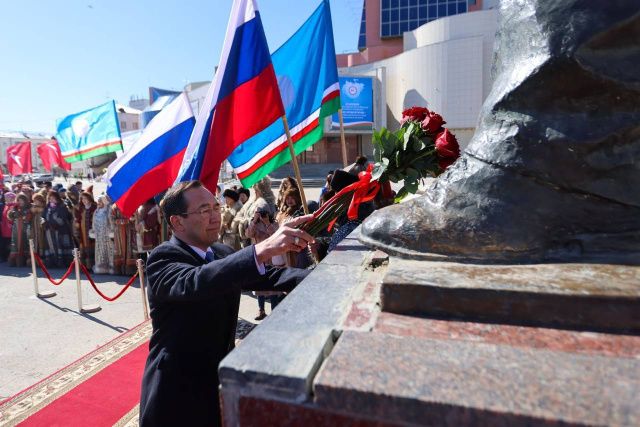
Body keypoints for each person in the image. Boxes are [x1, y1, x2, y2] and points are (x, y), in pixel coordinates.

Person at [139, 180, 313, 427]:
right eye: (204, 210)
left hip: (218, 379)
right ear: (177, 222)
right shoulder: (163, 258)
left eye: (216, 207)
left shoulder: (221, 252)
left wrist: (319, 276)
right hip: (177, 390)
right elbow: (197, 280)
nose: (215, 216)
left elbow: (271, 276)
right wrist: (262, 249)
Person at [246, 207, 280, 320]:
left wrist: (267, 223)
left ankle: (274, 310)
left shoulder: (274, 223)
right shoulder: (254, 224)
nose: (261, 215)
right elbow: (248, 234)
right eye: (259, 213)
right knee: (259, 284)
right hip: (259, 257)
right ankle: (261, 310)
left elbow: (276, 236)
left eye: (263, 213)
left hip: (272, 257)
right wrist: (254, 220)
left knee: (272, 285)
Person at [42, 191, 74, 268]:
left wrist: (56, 223)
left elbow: (64, 217)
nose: (52, 200)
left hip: (61, 230)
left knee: (61, 245)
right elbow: (43, 217)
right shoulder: (47, 207)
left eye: (53, 198)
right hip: (49, 230)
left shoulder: (62, 206)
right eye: (50, 198)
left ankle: (62, 261)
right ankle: (52, 261)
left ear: (57, 198)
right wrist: (44, 223)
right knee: (51, 245)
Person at [92, 195, 115, 274]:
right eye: (98, 201)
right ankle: (100, 267)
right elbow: (93, 222)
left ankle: (109, 267)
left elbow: (111, 222)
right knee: (100, 251)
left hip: (107, 236)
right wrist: (93, 231)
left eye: (100, 201)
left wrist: (112, 231)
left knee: (109, 251)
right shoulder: (96, 211)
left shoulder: (108, 211)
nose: (98, 203)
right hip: (99, 236)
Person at [7, 193, 31, 267]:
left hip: (25, 228)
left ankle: (26, 260)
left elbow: (29, 217)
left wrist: (23, 214)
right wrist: (12, 213)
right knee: (15, 243)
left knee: (25, 243)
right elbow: (10, 217)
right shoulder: (15, 207)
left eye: (21, 200)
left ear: (25, 200)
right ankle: (14, 260)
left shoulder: (29, 207)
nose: (20, 202)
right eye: (19, 200)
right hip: (16, 229)